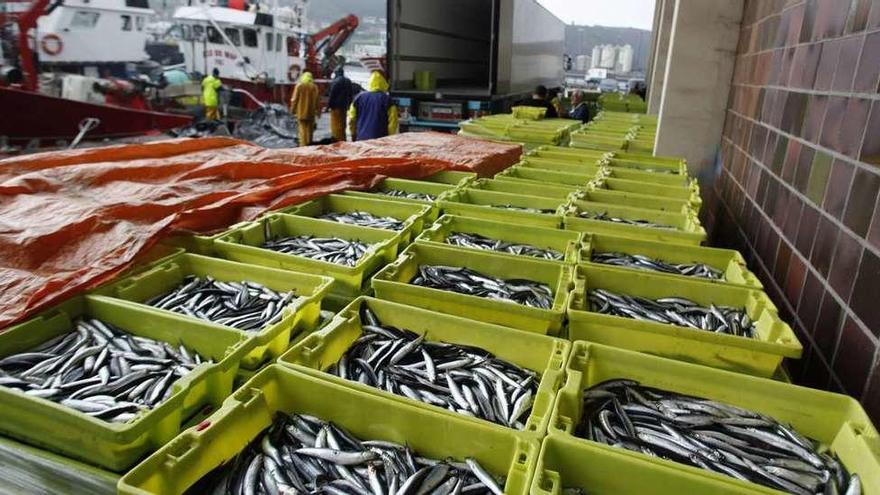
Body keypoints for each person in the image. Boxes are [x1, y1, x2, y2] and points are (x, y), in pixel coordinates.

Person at [348, 71, 398, 141]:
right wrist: (390, 139)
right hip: (381, 140)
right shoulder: (388, 100)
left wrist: (353, 134)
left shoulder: (358, 98)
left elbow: (352, 119)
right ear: (383, 83)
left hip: (362, 139)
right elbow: (393, 122)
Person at [289, 71, 320, 146]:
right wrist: (318, 112)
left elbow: (294, 99)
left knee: (302, 131)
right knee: (310, 131)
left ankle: (303, 146)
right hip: (311, 113)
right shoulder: (314, 87)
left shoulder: (299, 86)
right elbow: (317, 101)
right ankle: (309, 145)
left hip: (301, 113)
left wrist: (292, 110)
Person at [327, 67, 354, 141]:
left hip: (335, 107)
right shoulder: (348, 81)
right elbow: (350, 95)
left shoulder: (336, 81)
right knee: (342, 125)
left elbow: (332, 94)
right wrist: (349, 105)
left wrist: (328, 106)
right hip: (344, 107)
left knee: (335, 126)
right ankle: (343, 139)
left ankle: (337, 141)